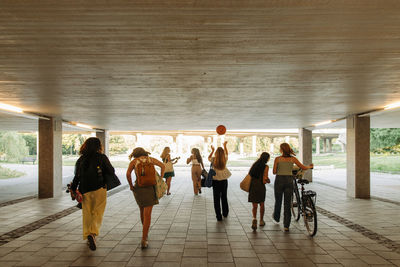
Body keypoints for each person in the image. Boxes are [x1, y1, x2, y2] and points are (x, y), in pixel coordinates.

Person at [70, 137, 116, 251]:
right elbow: (111, 171)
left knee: (87, 213)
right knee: (98, 212)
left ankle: (87, 235)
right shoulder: (102, 157)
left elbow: (77, 176)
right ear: (98, 146)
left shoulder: (81, 159)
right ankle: (93, 233)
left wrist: (73, 189)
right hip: (99, 188)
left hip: (84, 190)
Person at [126, 147, 165, 249]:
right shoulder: (150, 159)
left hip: (139, 188)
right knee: (148, 214)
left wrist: (130, 185)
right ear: (144, 152)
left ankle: (145, 233)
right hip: (150, 188)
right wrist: (160, 177)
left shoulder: (135, 161)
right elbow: (162, 166)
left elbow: (128, 174)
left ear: (135, 154)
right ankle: (144, 238)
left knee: (142, 210)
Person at [272, 143, 313, 232]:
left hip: (279, 180)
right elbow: (303, 167)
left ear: (281, 150)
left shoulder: (277, 159)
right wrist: (310, 166)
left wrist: (280, 169)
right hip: (289, 180)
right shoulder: (292, 159)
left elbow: (274, 172)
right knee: (287, 204)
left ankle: (276, 217)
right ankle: (286, 225)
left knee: (278, 200)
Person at [208, 141, 231, 221]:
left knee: (216, 199)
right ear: (223, 153)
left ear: (216, 153)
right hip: (224, 181)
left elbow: (208, 157)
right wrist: (225, 146)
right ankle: (225, 213)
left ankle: (218, 216)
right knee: (224, 197)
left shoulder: (213, 159)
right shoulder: (224, 159)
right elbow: (227, 153)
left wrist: (212, 150)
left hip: (216, 181)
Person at [248, 152, 271, 230]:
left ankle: (254, 218)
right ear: (267, 159)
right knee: (261, 203)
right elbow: (265, 180)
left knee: (254, 205)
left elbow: (250, 175)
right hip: (260, 186)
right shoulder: (266, 167)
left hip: (253, 186)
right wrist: (268, 180)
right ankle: (261, 220)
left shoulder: (254, 165)